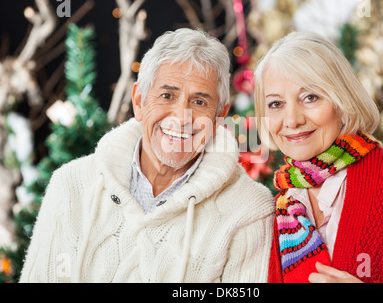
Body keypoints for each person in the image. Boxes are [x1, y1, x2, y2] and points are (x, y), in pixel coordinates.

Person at [20, 28, 275, 283]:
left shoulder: (249, 210)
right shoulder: (70, 185)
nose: (181, 117)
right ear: (139, 101)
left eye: (199, 102)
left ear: (219, 116)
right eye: (167, 96)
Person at [254, 31, 383, 283]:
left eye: (310, 97)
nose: (292, 120)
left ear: (342, 100)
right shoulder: (269, 213)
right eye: (276, 104)